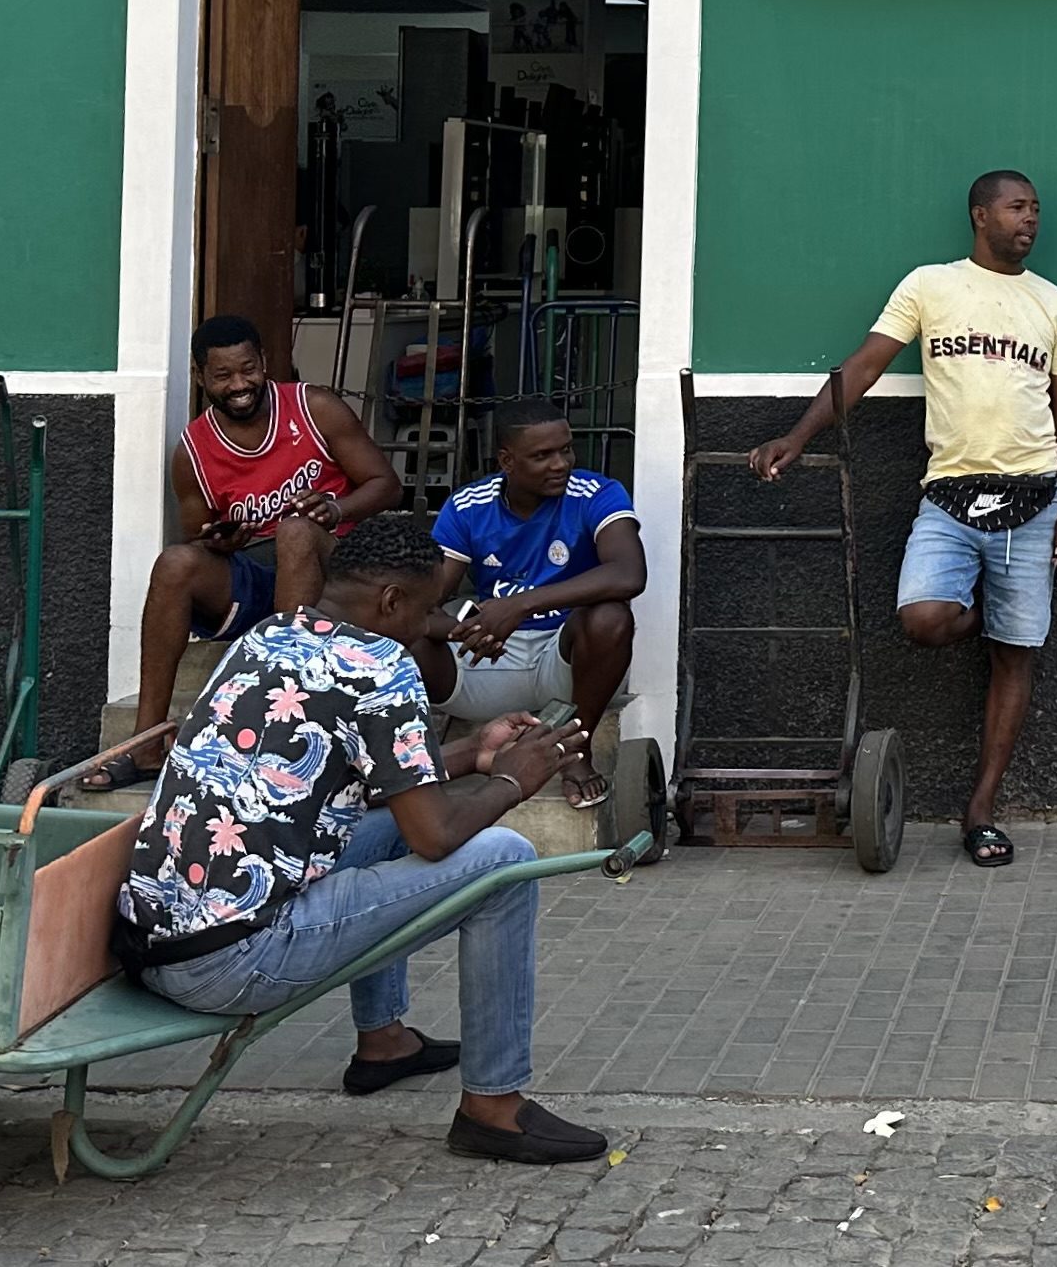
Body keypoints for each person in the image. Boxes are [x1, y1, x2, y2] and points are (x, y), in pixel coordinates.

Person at [116, 513, 610, 1163]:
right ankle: (494, 1108)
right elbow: (434, 836)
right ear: (391, 601)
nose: (433, 631)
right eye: (430, 612)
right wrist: (514, 784)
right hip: (231, 962)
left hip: (156, 944)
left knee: (379, 830)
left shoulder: (271, 636)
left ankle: (385, 1042)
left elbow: (370, 784)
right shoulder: (382, 668)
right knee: (506, 863)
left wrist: (472, 756)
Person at [752, 169, 1057, 871]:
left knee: (1017, 654)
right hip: (950, 495)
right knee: (924, 618)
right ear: (980, 215)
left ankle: (981, 808)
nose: (1030, 220)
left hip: (1034, 497)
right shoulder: (930, 286)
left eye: (1036, 211)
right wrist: (797, 434)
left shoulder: (1055, 305)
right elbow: (866, 365)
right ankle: (979, 619)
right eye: (1016, 208)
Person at [87, 313, 400, 790]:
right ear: (199, 377)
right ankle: (147, 744)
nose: (240, 384)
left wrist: (336, 508)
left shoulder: (315, 408)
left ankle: (285, 725)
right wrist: (220, 539)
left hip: (334, 567)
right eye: (223, 375)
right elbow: (198, 535)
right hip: (257, 576)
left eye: (248, 369)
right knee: (175, 563)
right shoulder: (193, 449)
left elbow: (386, 485)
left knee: (295, 531)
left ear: (265, 363)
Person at [421, 401, 648, 804]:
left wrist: (518, 605)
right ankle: (408, 765)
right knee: (402, 638)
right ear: (507, 460)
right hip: (487, 664)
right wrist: (473, 628)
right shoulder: (468, 506)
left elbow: (629, 574)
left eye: (566, 450)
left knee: (611, 617)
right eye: (542, 455)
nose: (560, 464)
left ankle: (575, 745)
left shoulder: (596, 494)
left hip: (565, 666)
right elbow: (424, 605)